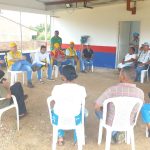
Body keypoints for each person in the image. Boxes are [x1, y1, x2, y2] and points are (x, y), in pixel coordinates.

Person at [94, 67, 144, 143]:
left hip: (112, 122)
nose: (118, 76)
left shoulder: (112, 90)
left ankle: (115, 133)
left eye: (119, 74)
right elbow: (139, 107)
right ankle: (120, 133)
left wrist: (104, 108)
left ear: (123, 77)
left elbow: (96, 105)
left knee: (97, 111)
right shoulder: (140, 93)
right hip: (129, 122)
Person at [50, 65, 86, 145]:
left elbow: (53, 102)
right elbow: (81, 102)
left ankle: (60, 137)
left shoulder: (56, 88)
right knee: (84, 112)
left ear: (63, 76)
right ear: (74, 76)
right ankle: (77, 139)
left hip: (59, 117)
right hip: (75, 117)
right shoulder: (81, 89)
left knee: (55, 110)